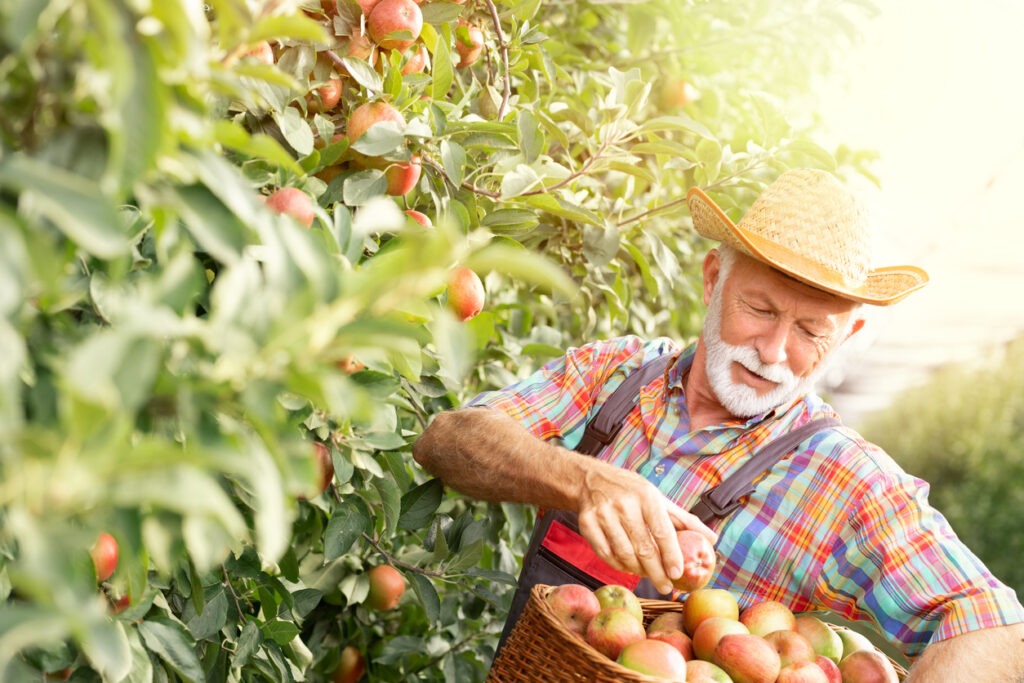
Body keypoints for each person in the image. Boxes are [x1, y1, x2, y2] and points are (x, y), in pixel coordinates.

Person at [412, 168, 1024, 680]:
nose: (775, 351)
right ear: (713, 279)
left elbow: (993, 624)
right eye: (759, 309)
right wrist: (582, 481)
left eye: (812, 332)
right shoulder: (615, 375)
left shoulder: (845, 481)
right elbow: (448, 439)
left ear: (847, 337)